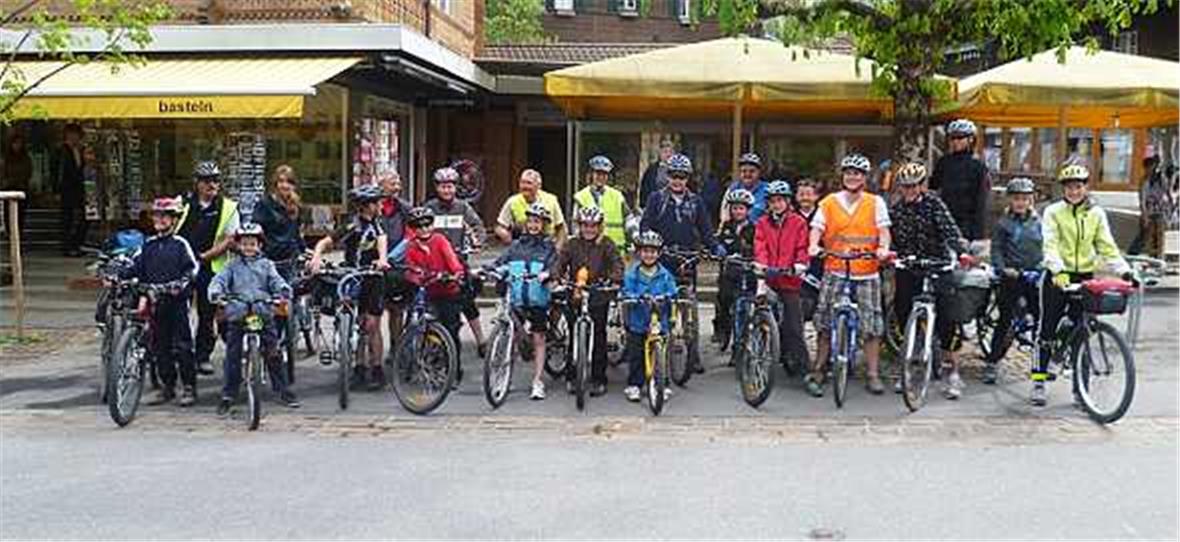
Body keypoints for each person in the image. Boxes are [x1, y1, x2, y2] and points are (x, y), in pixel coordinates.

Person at [1037, 164, 1135, 407]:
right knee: (1047, 328)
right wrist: (1057, 270)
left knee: (1083, 329)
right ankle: (1039, 381)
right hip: (1057, 275)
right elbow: (1050, 243)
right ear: (1064, 189)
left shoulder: (1096, 214)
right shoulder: (1053, 212)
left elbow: (1106, 246)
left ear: (1086, 187)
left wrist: (1124, 270)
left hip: (1085, 276)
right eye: (1069, 187)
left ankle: (1080, 390)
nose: (1074, 191)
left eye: (1079, 186)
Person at [806, 153, 892, 397]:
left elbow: (883, 230)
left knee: (872, 324)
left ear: (864, 178)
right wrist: (814, 245)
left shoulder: (875, 202)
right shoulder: (829, 202)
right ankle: (819, 368)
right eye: (848, 173)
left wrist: (883, 248)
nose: (852, 177)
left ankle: (873, 373)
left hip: (866, 270)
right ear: (842, 176)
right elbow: (817, 228)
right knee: (824, 322)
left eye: (857, 173)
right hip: (835, 267)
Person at [888, 162, 972, 399]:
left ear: (922, 185)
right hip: (910, 266)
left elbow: (949, 230)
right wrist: (891, 254)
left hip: (937, 265)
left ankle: (953, 372)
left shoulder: (934, 204)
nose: (910, 191)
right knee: (902, 311)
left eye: (914, 186)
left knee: (947, 318)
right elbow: (891, 239)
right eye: (905, 187)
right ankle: (909, 364)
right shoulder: (896, 211)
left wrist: (961, 251)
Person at [639, 153, 726, 374]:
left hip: (687, 259)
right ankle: (656, 347)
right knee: (660, 305)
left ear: (688, 178)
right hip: (663, 257)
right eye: (673, 176)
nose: (677, 180)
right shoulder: (656, 199)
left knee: (689, 309)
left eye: (682, 176)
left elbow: (706, 229)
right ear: (667, 176)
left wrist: (715, 247)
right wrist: (648, 247)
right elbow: (646, 226)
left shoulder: (696, 202)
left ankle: (693, 356)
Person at [208, 223, 300, 415]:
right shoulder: (231, 265)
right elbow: (219, 281)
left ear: (260, 245)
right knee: (232, 355)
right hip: (238, 312)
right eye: (244, 244)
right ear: (238, 246)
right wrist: (216, 293)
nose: (248, 248)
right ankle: (228, 394)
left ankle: (283, 389)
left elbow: (277, 281)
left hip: (262, 311)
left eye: (252, 244)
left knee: (273, 351)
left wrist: (282, 291)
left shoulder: (267, 265)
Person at [307, 184, 390, 390]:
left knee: (372, 324)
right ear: (365, 206)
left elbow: (382, 241)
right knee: (359, 322)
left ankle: (377, 368)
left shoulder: (379, 224)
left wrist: (382, 259)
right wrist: (316, 258)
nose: (380, 205)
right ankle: (359, 367)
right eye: (376, 203)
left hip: (373, 276)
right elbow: (324, 242)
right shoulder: (352, 225)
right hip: (353, 276)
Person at [123, 197, 199, 406]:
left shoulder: (180, 244)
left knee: (183, 345)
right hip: (155, 301)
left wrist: (182, 283)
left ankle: (189, 386)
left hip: (176, 301)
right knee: (159, 346)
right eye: (157, 216)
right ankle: (168, 386)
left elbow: (192, 268)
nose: (161, 220)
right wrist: (119, 275)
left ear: (173, 220)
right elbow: (134, 267)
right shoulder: (148, 246)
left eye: (165, 217)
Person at [551, 206, 624, 397]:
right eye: (585, 225)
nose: (589, 229)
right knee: (574, 335)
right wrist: (556, 276)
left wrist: (615, 278)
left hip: (598, 293)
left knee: (599, 335)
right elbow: (560, 262)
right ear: (579, 226)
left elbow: (617, 263)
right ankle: (571, 375)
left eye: (593, 226)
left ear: (599, 227)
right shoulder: (572, 244)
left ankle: (599, 378)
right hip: (574, 291)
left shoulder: (607, 244)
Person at [177, 161, 241, 376]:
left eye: (215, 180)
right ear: (197, 183)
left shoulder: (228, 207)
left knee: (207, 313)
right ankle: (179, 351)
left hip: (210, 266)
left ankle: (202, 356)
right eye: (206, 181)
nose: (212, 185)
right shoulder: (184, 204)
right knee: (178, 310)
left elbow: (231, 240)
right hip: (182, 265)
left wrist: (205, 257)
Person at [490, 203, 557, 400]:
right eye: (531, 221)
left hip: (538, 299)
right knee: (512, 333)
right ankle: (504, 375)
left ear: (543, 225)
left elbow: (555, 266)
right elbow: (501, 262)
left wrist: (547, 274)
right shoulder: (516, 246)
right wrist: (487, 269)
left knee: (539, 338)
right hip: (518, 298)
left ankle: (538, 381)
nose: (533, 225)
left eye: (537, 222)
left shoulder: (548, 247)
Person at [982, 177, 1043, 385]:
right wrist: (1002, 268)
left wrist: (1045, 266)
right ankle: (992, 362)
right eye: (1017, 198)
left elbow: (1047, 246)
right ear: (1010, 200)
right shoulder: (1003, 223)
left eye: (1025, 199)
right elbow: (996, 248)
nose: (1021, 203)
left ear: (1031, 200)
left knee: (1040, 320)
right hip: (1012, 276)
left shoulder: (1039, 222)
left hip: (1034, 274)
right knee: (1005, 320)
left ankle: (1040, 364)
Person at [423, 166, 488, 357]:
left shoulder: (463, 208)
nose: (447, 190)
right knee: (432, 306)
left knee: (468, 303)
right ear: (437, 188)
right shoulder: (429, 208)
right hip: (434, 264)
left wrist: (478, 242)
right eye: (443, 187)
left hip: (458, 263)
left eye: (450, 186)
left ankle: (481, 340)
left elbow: (477, 227)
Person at [399, 206, 467, 386]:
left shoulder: (439, 240)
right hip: (426, 291)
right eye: (419, 226)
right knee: (417, 325)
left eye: (427, 225)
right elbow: (409, 268)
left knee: (451, 332)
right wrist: (414, 277)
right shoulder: (411, 245)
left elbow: (452, 261)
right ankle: (417, 362)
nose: (424, 229)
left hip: (447, 290)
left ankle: (454, 372)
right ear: (413, 228)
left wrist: (455, 273)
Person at [753, 180, 812, 376]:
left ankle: (806, 371)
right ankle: (753, 357)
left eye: (780, 200)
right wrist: (762, 266)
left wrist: (800, 264)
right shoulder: (762, 223)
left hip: (789, 279)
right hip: (769, 277)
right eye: (772, 201)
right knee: (759, 315)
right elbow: (760, 246)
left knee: (794, 326)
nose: (776, 204)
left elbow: (802, 247)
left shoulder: (798, 222)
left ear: (787, 201)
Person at [619, 231, 678, 403]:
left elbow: (673, 291)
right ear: (639, 252)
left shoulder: (665, 274)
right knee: (636, 352)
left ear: (659, 253)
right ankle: (635, 384)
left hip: (660, 319)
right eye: (645, 251)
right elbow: (627, 290)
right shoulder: (633, 273)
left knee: (662, 351)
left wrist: (669, 296)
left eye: (653, 251)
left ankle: (663, 383)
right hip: (639, 319)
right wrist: (632, 296)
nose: (649, 255)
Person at [930, 119, 992, 244]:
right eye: (953, 138)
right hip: (944, 218)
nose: (955, 141)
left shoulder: (978, 165)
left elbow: (981, 200)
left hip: (967, 223)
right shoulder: (944, 162)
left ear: (970, 139)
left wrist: (979, 233)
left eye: (960, 138)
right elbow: (933, 187)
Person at [712, 188, 756, 351]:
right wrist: (717, 249)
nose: (738, 211)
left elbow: (759, 248)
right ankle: (724, 330)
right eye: (735, 208)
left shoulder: (754, 229)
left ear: (748, 210)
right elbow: (719, 243)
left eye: (741, 208)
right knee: (724, 300)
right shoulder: (726, 227)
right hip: (729, 272)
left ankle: (745, 336)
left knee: (747, 304)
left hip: (747, 272)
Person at [252, 165, 306, 277]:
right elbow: (256, 232)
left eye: (289, 182)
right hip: (269, 261)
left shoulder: (296, 205)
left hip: (290, 262)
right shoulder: (265, 204)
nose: (285, 185)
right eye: (281, 181)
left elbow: (296, 233)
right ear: (275, 183)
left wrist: (304, 250)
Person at [572, 155, 632, 256]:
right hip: (589, 252)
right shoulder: (581, 196)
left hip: (615, 251)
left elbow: (629, 219)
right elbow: (575, 226)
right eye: (598, 173)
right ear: (591, 174)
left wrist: (635, 236)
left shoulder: (617, 196)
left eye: (604, 174)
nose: (601, 177)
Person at [494, 168, 566, 245]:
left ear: (538, 186)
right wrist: (504, 234)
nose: (524, 186)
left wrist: (557, 249)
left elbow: (561, 228)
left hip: (547, 245)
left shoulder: (551, 200)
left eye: (529, 183)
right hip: (523, 244)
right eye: (522, 182)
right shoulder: (512, 202)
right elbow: (500, 226)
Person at [55, 123, 87, 257]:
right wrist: (56, 190)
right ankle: (67, 246)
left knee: (85, 217)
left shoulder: (81, 150)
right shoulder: (62, 151)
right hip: (66, 188)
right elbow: (57, 171)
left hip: (80, 188)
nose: (75, 138)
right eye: (72, 135)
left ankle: (76, 243)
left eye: (77, 135)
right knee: (66, 218)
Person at [720, 152, 770, 224]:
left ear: (759, 172)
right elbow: (724, 213)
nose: (747, 174)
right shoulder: (733, 188)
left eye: (752, 171)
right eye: (744, 171)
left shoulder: (767, 189)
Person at [1137, 152, 1170, 259]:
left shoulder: (1161, 179)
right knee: (1150, 238)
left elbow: (1167, 193)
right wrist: (1144, 215)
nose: (1150, 169)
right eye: (1148, 167)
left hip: (1160, 211)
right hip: (1150, 212)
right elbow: (1142, 199)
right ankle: (1152, 258)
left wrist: (1169, 208)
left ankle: (1160, 258)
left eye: (1152, 166)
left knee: (1160, 237)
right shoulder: (1144, 181)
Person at [3, 133, 32, 232]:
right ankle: (9, 231)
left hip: (22, 188)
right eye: (15, 143)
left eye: (19, 143)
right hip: (8, 188)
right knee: (8, 213)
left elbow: (28, 172)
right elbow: (4, 172)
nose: (17, 146)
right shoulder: (6, 159)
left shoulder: (26, 159)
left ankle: (19, 231)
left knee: (21, 213)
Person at [640, 139, 676, 208]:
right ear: (660, 153)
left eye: (671, 152)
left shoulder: (679, 170)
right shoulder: (651, 170)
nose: (668, 154)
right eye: (665, 152)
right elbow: (645, 189)